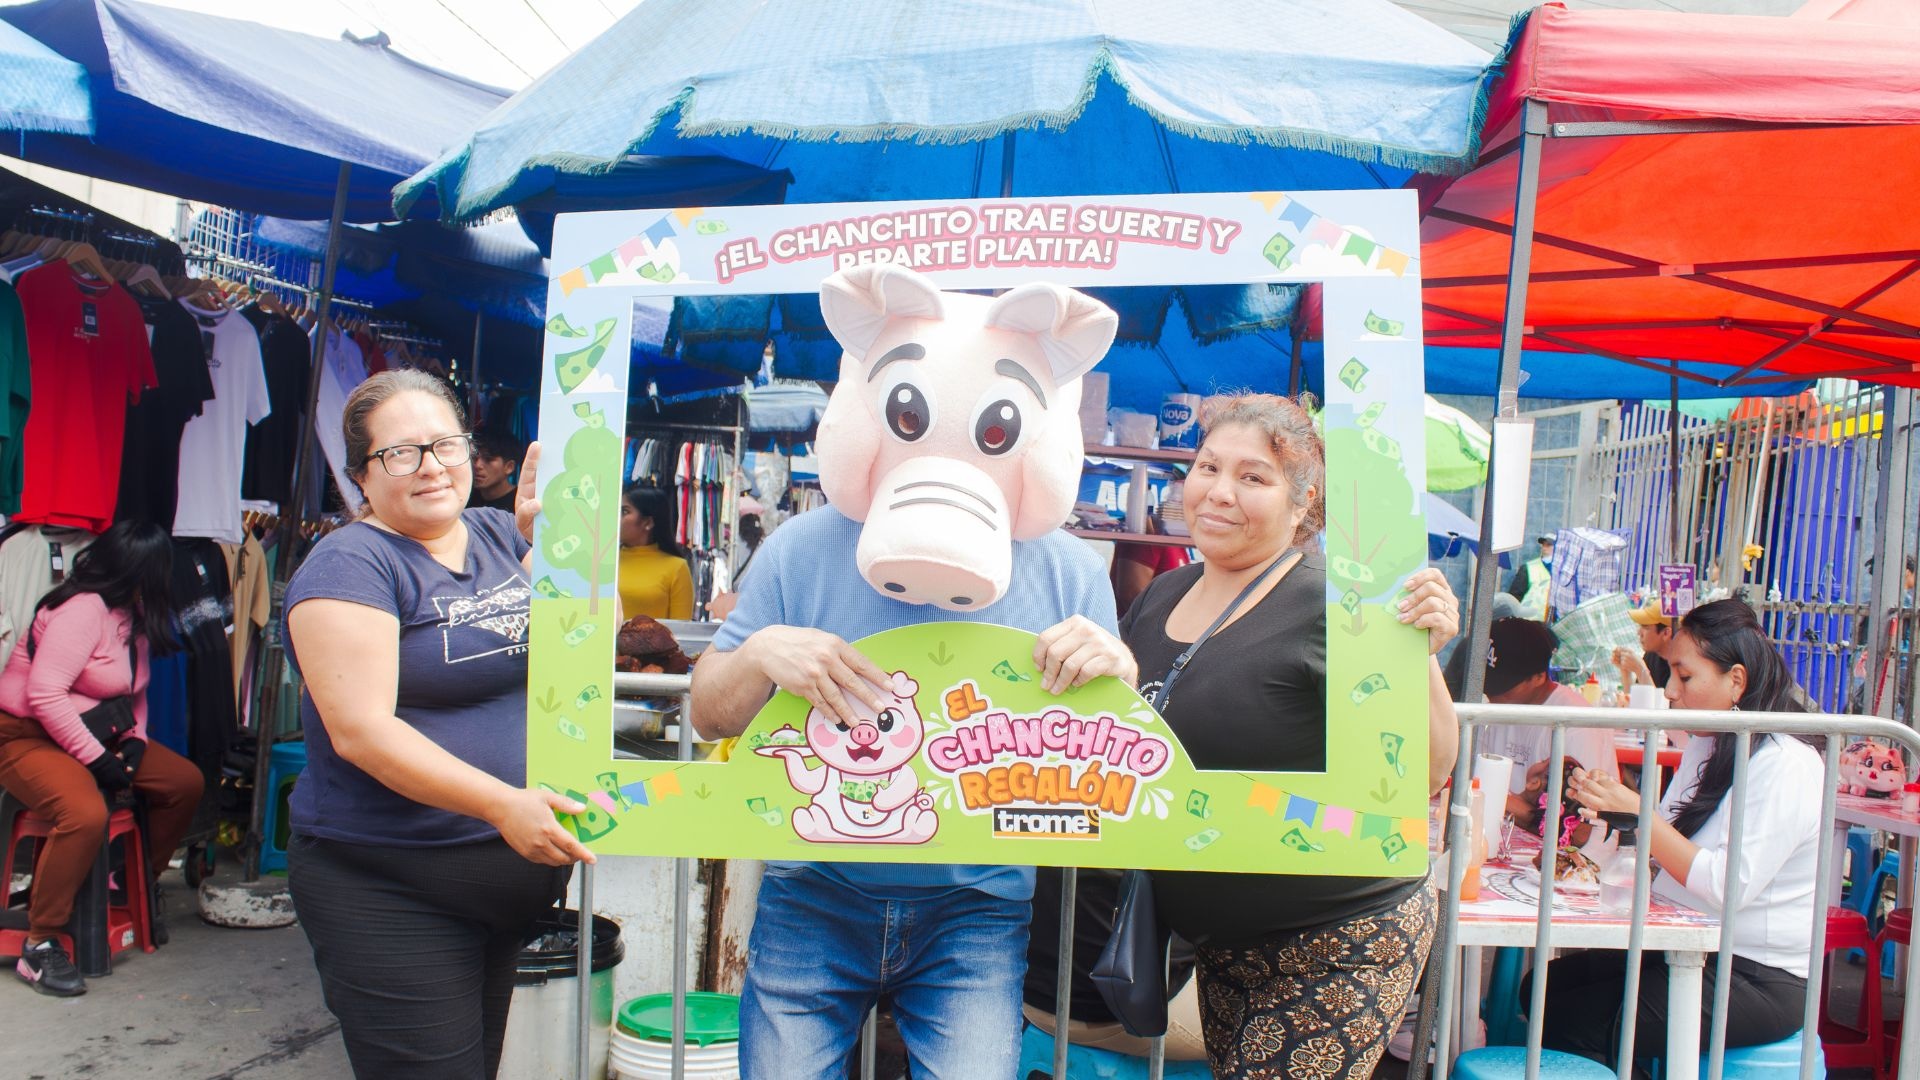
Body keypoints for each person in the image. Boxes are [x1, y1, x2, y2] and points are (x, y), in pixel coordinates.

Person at [1119, 393, 1461, 1080]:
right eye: (1208, 466)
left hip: (1343, 934)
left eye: (1253, 477)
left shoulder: (1339, 603)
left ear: (1303, 506)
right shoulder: (1161, 597)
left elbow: (1422, 770)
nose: (1219, 492)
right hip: (1224, 944)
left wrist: (1416, 654)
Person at [282, 370, 593, 1079]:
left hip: (497, 891)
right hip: (389, 885)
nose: (430, 467)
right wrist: (500, 802)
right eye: (401, 453)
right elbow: (360, 730)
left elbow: (550, 569)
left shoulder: (487, 532)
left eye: (445, 444)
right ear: (362, 473)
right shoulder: (352, 565)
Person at [1533, 599, 1823, 1067]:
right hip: (1685, 946)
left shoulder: (1786, 763)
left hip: (1755, 975)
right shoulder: (1710, 744)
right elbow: (1661, 843)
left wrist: (1639, 815)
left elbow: (1728, 886)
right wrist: (1615, 807)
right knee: (1540, 990)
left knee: (1568, 1017)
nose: (1669, 690)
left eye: (1684, 677)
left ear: (1736, 681)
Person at [0, 521, 202, 997]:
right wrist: (98, 762)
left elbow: (136, 689)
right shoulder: (81, 611)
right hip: (26, 735)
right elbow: (44, 694)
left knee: (184, 784)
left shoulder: (132, 613)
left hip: (97, 730)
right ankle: (41, 941)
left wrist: (136, 738)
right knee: (84, 813)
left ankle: (128, 883)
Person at [1478, 617, 1619, 831]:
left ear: (1539, 677)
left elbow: (1577, 829)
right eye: (1488, 682)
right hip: (1510, 839)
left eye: (1503, 685)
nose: (1492, 692)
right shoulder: (1496, 707)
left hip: (1577, 858)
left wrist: (1497, 798)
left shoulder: (1575, 723)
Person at [616, 485, 693, 620]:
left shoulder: (676, 568)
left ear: (648, 522)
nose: (616, 518)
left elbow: (680, 631)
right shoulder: (605, 561)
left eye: (624, 512)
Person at [1613, 602, 1675, 692]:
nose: (1639, 633)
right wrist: (1626, 671)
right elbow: (1636, 702)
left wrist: (1641, 670)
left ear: (1666, 633)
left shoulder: (1682, 666)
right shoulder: (1651, 655)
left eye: (1645, 627)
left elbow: (1661, 705)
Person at [465, 427, 523, 513]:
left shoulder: (520, 503)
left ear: (509, 467)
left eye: (488, 459)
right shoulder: (465, 498)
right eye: (474, 458)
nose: (477, 465)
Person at [1506, 535, 1555, 618]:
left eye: (1548, 545)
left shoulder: (1563, 572)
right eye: (1543, 544)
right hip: (1527, 621)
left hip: (1551, 624)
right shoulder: (1528, 568)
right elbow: (1515, 596)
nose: (1544, 547)